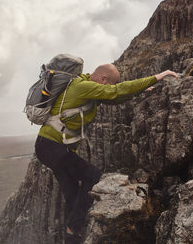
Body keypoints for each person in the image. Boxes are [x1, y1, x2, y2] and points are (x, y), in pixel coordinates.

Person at [34, 63, 179, 244]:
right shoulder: (83, 87)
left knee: (72, 193)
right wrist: (158, 76)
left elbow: (115, 97)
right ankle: (73, 229)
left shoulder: (86, 87)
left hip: (48, 147)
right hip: (52, 148)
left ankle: (72, 236)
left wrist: (141, 90)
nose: (111, 87)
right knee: (93, 175)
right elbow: (117, 91)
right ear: (103, 79)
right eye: (111, 83)